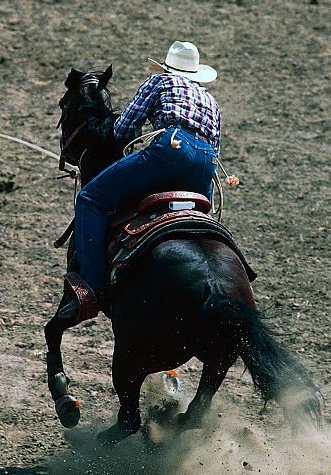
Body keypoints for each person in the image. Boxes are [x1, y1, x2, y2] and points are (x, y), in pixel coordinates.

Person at [57, 40, 222, 321]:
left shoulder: (158, 82)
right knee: (200, 218)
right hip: (207, 163)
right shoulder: (210, 100)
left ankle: (92, 288)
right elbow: (215, 146)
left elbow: (123, 129)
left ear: (168, 67)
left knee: (90, 200)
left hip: (170, 149)